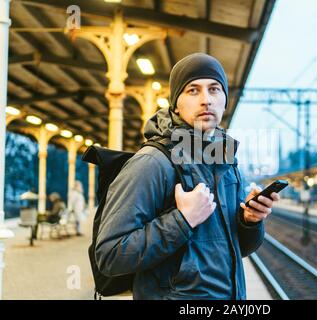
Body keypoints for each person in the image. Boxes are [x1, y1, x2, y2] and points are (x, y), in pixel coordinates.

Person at [95, 53, 281, 300]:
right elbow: (110, 255)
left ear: (225, 100)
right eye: (193, 90)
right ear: (175, 103)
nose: (206, 100)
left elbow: (238, 249)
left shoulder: (225, 163)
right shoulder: (152, 162)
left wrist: (249, 221)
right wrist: (182, 220)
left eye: (214, 89)